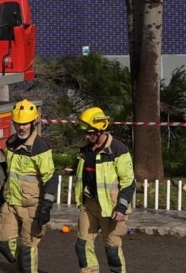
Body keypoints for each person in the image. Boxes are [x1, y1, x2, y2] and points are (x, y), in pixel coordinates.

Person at [0, 99, 56, 273]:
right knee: (4, 243)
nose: (21, 128)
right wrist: (0, 197)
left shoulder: (40, 147)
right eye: (18, 124)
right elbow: (11, 175)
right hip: (11, 204)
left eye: (25, 124)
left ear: (33, 123)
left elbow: (51, 179)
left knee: (27, 250)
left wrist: (46, 207)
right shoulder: (10, 143)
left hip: (32, 207)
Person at [73, 106, 136, 273]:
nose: (87, 136)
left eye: (90, 133)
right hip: (89, 205)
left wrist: (121, 208)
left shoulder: (117, 150)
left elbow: (128, 182)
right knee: (82, 245)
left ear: (101, 129)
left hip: (111, 208)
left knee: (112, 250)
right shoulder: (85, 149)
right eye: (85, 133)